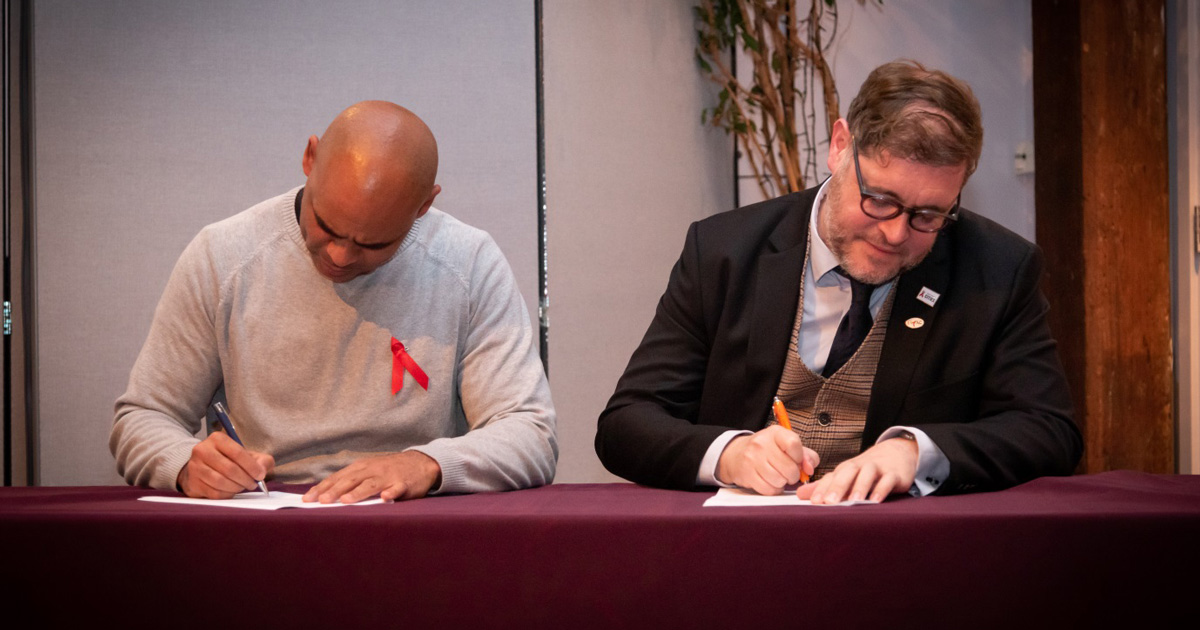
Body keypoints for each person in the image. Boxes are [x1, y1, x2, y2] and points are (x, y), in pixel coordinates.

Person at [596, 60, 1082, 503]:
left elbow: (1049, 430)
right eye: (880, 199)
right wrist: (729, 454)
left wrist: (918, 452)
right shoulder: (725, 250)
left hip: (901, 556)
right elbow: (626, 424)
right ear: (840, 147)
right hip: (738, 550)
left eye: (929, 215)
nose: (895, 233)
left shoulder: (997, 269)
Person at [111, 101, 557, 503]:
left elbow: (530, 434)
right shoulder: (223, 256)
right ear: (310, 158)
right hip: (263, 514)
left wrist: (426, 465)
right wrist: (187, 463)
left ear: (423, 207)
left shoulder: (468, 263)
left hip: (410, 520)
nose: (340, 256)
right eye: (326, 225)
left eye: (374, 244)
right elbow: (144, 416)